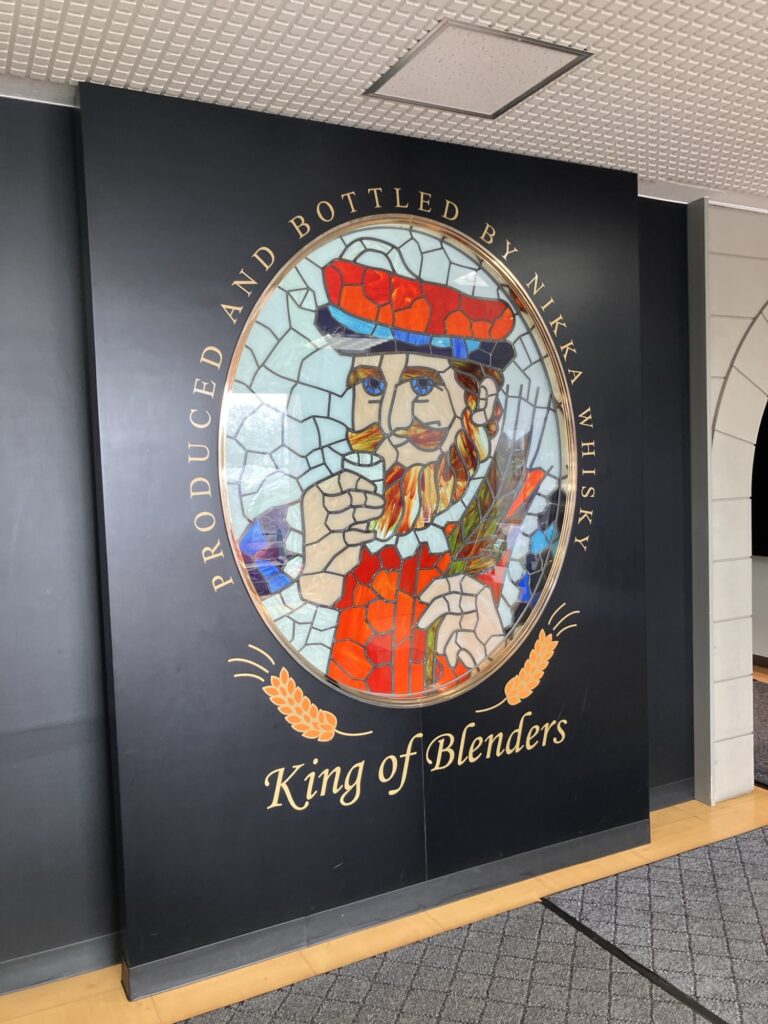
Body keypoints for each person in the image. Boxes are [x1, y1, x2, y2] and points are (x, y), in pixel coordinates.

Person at [240, 255, 551, 699]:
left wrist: (495, 650)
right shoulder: (295, 529)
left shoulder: (533, 524)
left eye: (421, 385)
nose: (389, 421)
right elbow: (232, 624)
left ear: (480, 400)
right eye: (371, 386)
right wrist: (314, 578)